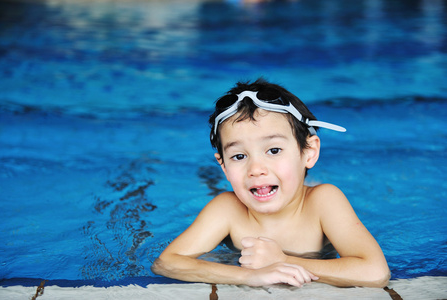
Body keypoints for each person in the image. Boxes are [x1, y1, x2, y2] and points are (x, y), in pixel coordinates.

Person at [152, 78, 390, 288]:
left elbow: (375, 273)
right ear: (223, 166)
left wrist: (283, 261)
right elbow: (166, 263)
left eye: (274, 150)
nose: (256, 170)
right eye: (239, 156)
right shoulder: (227, 209)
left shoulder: (323, 202)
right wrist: (249, 277)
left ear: (309, 151)